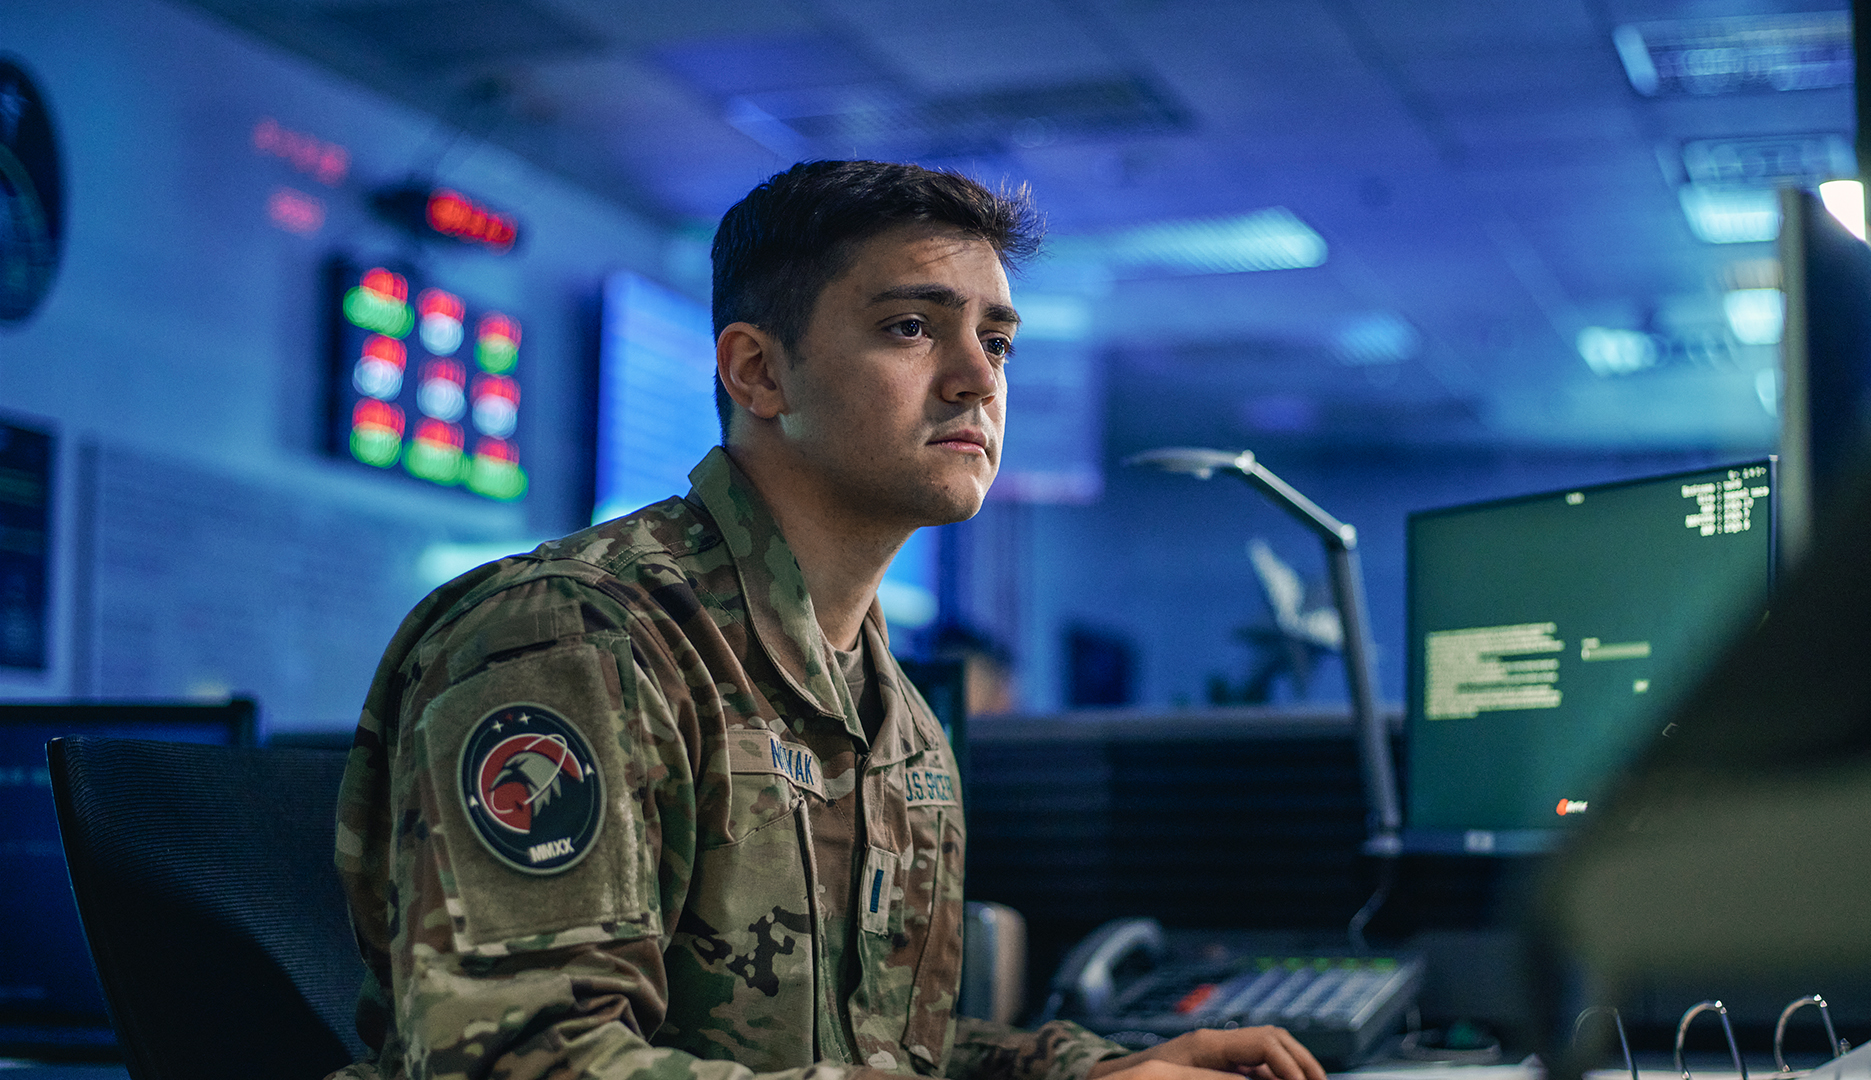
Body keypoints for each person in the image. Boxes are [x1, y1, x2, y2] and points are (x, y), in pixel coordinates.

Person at [329, 160, 1326, 1080]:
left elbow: (884, 1052)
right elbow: (524, 1061)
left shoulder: (899, 717)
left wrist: (1087, 1072)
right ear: (758, 373)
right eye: (912, 327)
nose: (979, 379)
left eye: (996, 341)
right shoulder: (575, 639)